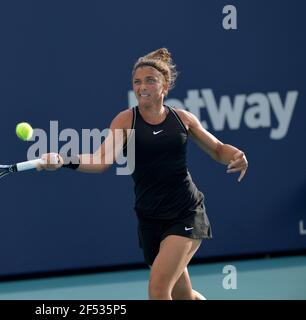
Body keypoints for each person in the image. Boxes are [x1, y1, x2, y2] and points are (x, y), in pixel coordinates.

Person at [37, 48, 248, 300]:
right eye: (137, 82)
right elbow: (101, 160)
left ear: (165, 86)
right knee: (185, 297)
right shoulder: (126, 121)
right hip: (150, 219)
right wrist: (63, 160)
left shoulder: (183, 119)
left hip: (186, 213)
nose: (142, 86)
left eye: (150, 80)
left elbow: (217, 148)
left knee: (158, 291)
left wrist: (236, 154)